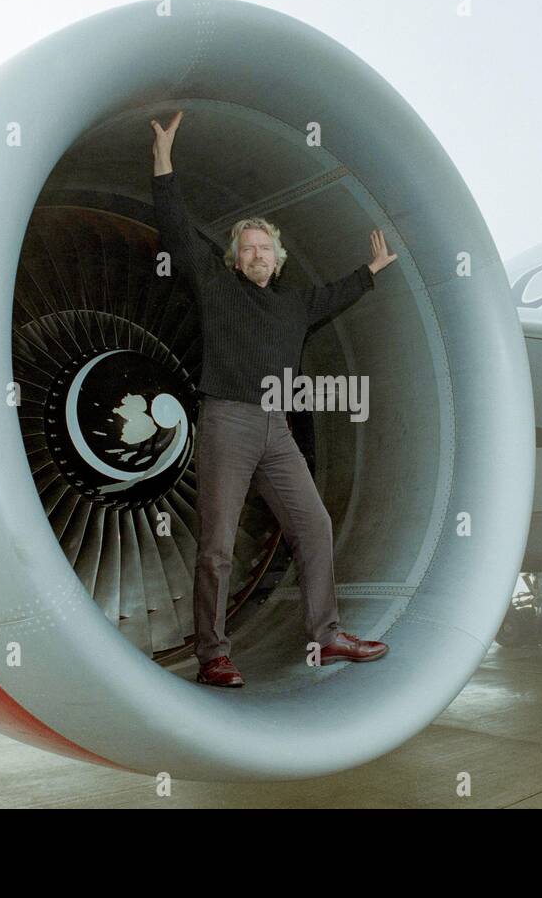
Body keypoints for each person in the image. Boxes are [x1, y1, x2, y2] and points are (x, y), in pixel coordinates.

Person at [149, 110, 398, 687]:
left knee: (314, 527)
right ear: (236, 258)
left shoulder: (294, 306)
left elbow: (336, 293)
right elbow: (176, 227)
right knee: (217, 547)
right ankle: (213, 654)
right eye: (249, 248)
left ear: (278, 259)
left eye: (266, 248)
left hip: (278, 429)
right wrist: (163, 162)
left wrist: (372, 270)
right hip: (228, 422)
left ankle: (328, 635)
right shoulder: (215, 286)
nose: (258, 255)